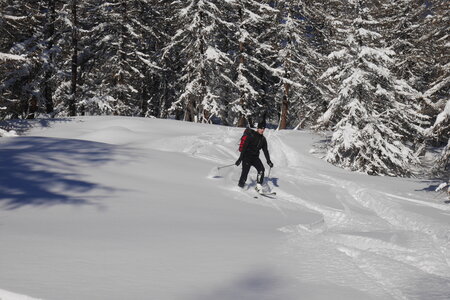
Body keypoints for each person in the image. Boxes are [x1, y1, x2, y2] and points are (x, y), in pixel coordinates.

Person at [235, 119, 273, 192]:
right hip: (247, 157)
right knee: (245, 172)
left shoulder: (263, 139)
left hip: (255, 158)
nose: (262, 130)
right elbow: (244, 148)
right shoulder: (251, 136)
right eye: (261, 128)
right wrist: (240, 159)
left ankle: (258, 186)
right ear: (257, 128)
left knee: (261, 170)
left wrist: (269, 161)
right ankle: (240, 187)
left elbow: (265, 151)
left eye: (263, 128)